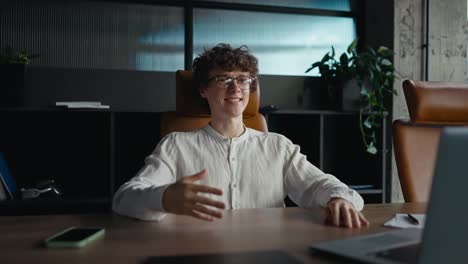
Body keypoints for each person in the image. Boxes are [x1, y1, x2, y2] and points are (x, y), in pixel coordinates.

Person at [112, 43, 369, 228]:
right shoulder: (176, 145)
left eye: (244, 79)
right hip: (200, 254)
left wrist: (338, 199)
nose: (236, 88)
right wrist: (165, 198)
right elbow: (124, 198)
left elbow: (319, 185)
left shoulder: (278, 146)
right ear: (203, 89)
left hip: (269, 254)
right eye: (223, 79)